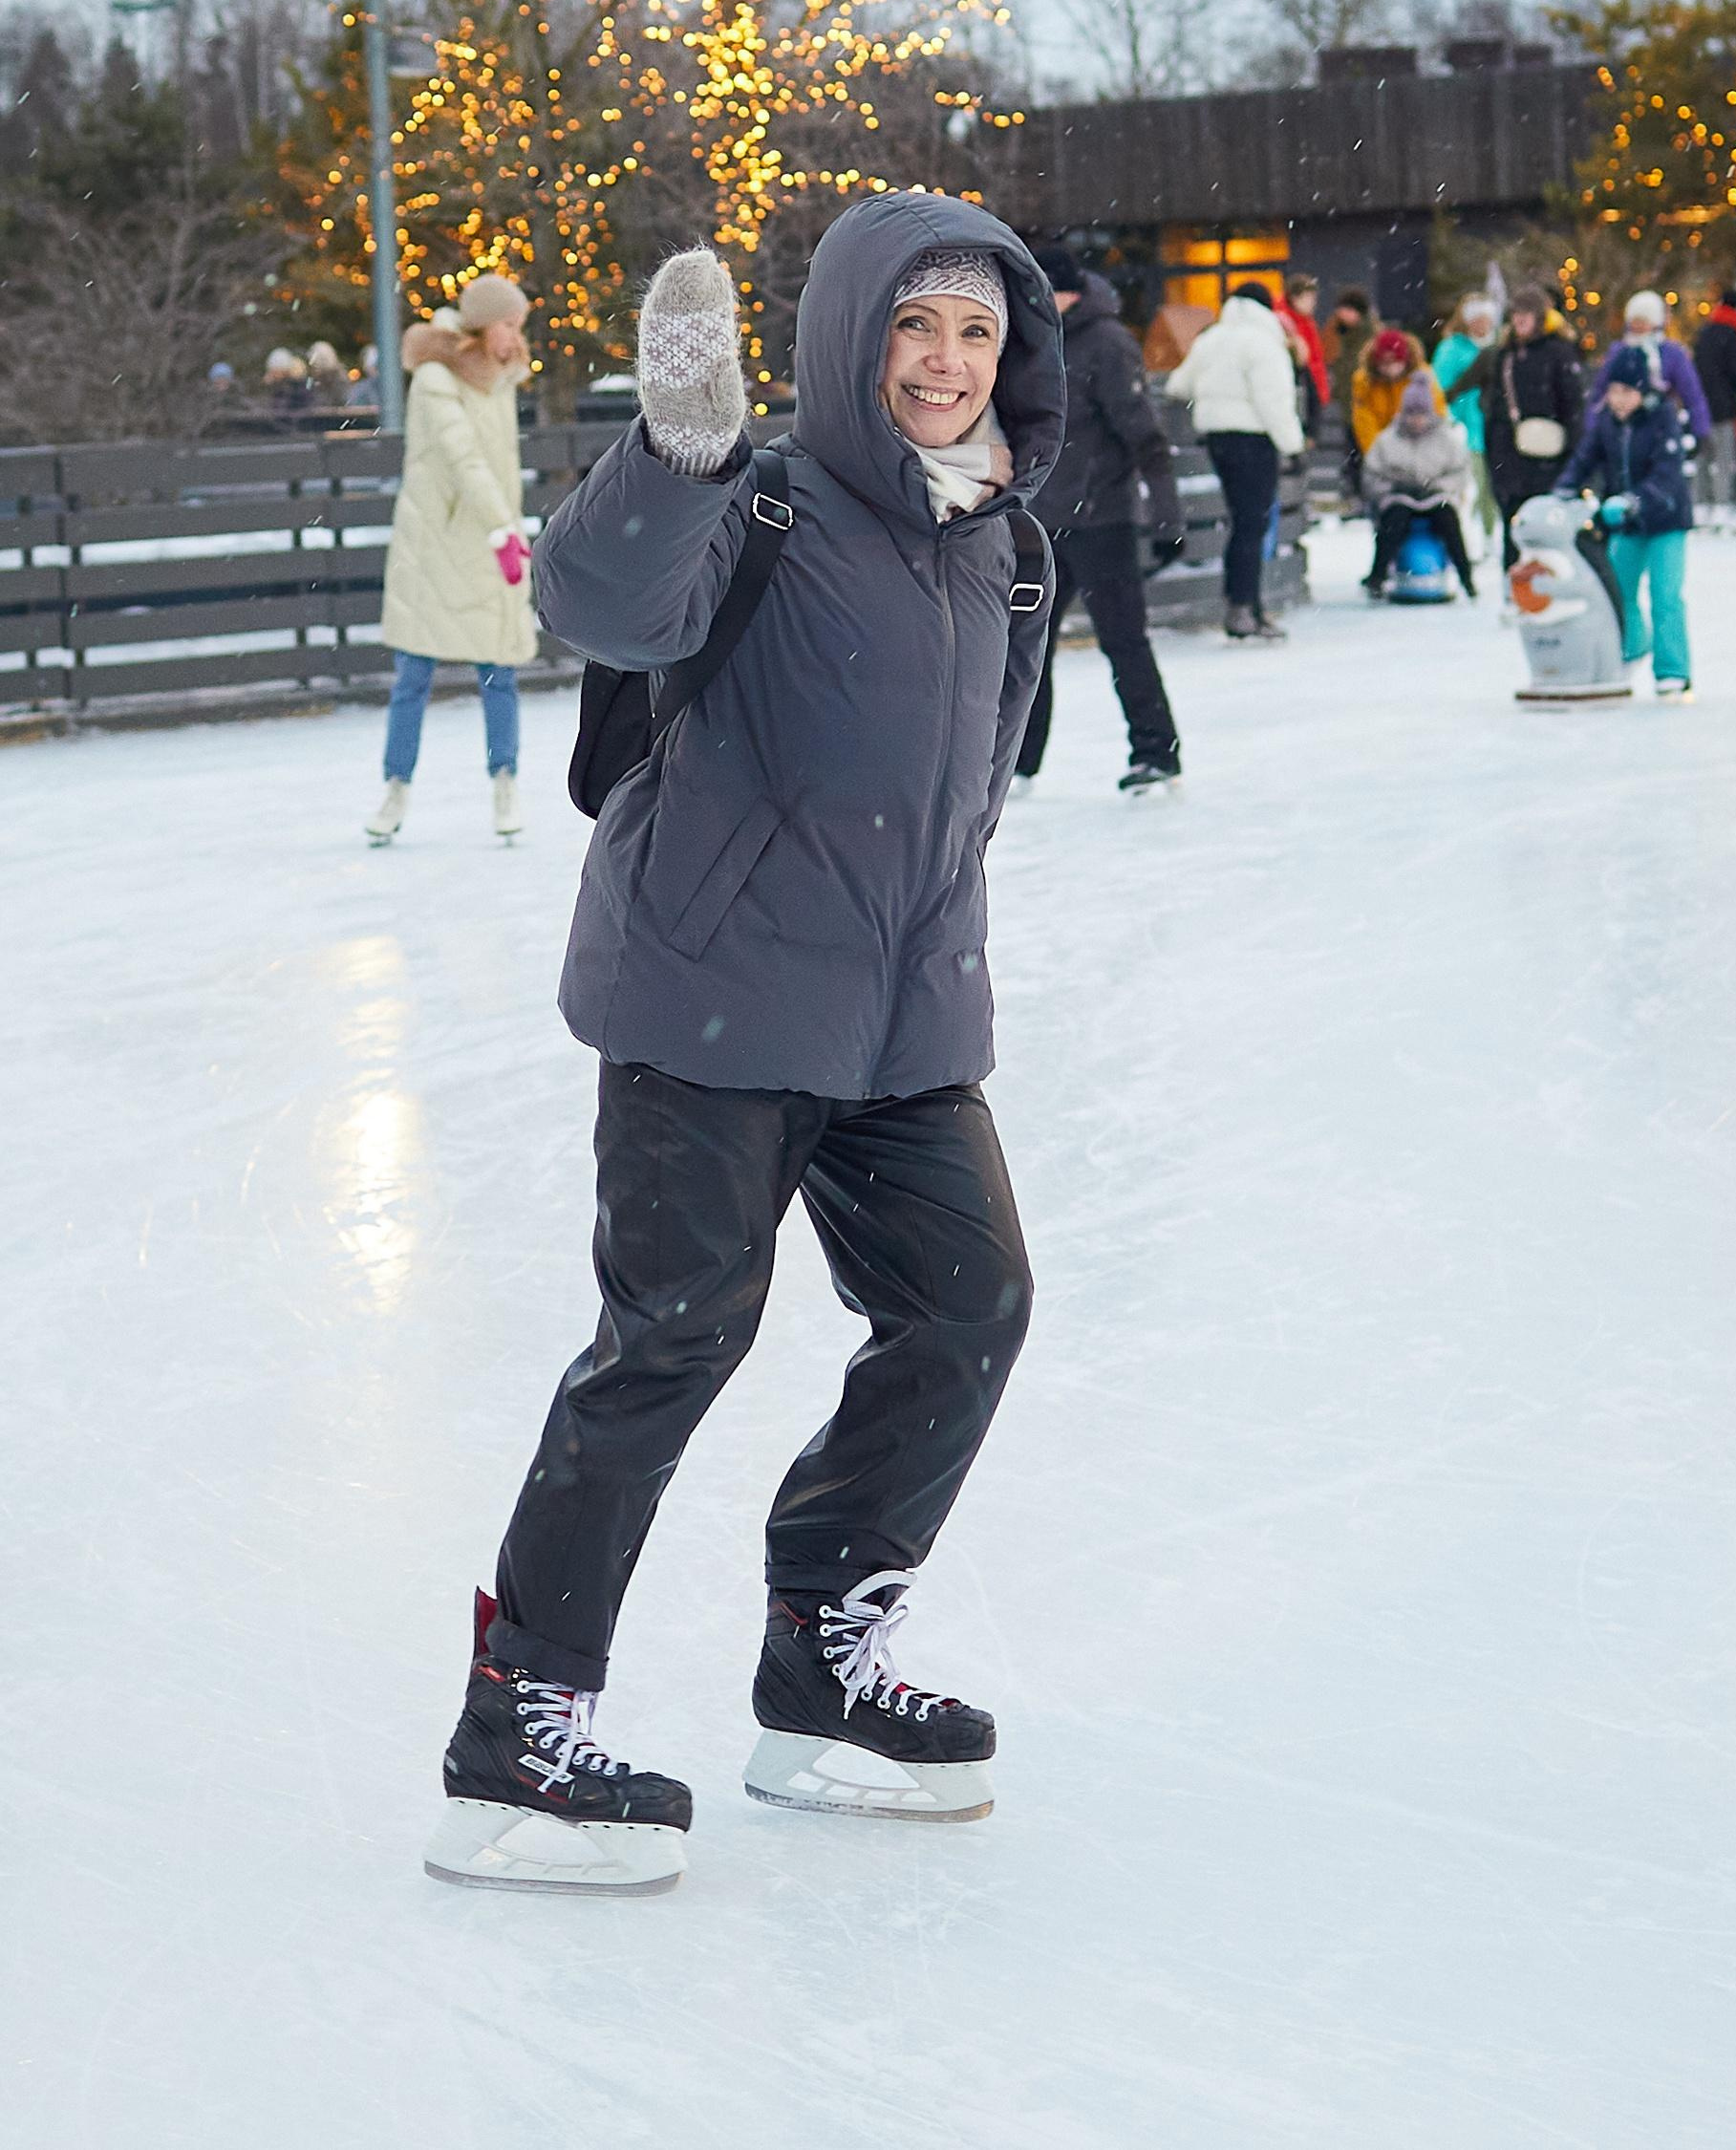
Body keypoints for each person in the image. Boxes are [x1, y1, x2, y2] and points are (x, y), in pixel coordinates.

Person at [430, 204, 1063, 1889]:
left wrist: (944, 973)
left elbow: (976, 790)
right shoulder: (766, 500)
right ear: (854, 336)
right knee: (673, 1344)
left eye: (976, 334)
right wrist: (679, 452)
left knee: (968, 1302)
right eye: (913, 326)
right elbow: (603, 604)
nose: (943, 363)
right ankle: (520, 1731)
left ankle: (820, 1664)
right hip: (704, 995)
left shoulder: (1006, 540)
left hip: (900, 1020)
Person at [369, 272, 537, 847]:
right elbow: (463, 459)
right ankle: (395, 789)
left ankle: (505, 780)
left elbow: (501, 466)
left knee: (498, 673)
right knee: (414, 677)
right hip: (437, 547)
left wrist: (501, 528)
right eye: (509, 324)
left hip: (488, 543)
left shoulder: (502, 381)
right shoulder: (436, 380)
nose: (516, 336)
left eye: (519, 326)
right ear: (483, 324)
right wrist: (505, 529)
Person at [1018, 247, 1189, 789]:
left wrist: (1168, 519)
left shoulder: (1108, 344)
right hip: (1042, 520)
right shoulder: (1031, 343)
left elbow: (1146, 436)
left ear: (1066, 292)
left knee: (1123, 639)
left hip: (1101, 517)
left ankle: (1156, 753)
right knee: (1024, 644)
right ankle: (1017, 762)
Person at [1165, 279, 1304, 640]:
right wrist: (1293, 445)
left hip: (1217, 440)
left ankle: (1243, 604)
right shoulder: (1264, 343)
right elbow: (1273, 401)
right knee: (1252, 525)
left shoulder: (1211, 340)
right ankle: (1244, 608)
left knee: (1241, 522)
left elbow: (1178, 385)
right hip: (1254, 440)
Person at [1557, 342, 1694, 699]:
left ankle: (1672, 671)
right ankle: (1632, 648)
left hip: (1667, 521)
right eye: (1613, 391)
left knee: (1665, 594)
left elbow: (1668, 474)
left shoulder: (1662, 417)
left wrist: (1635, 501)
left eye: (1626, 392)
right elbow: (1584, 460)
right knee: (1619, 590)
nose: (1618, 400)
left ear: (1642, 390)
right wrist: (1562, 491)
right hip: (1628, 525)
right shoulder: (1606, 422)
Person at [1452, 286, 1583, 572]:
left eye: (1528, 315)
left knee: (1547, 530)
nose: (1521, 320)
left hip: (1550, 455)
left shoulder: (1559, 352)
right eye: (1517, 314)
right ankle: (1515, 592)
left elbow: (1573, 406)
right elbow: (1484, 397)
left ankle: (1546, 591)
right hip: (1509, 453)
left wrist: (1572, 456)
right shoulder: (1503, 354)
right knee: (1514, 528)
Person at [1361, 369, 1475, 596]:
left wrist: (1442, 487)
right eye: (1411, 414)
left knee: (1448, 520)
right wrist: (1389, 489)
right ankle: (1378, 575)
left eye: (1421, 413)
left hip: (1434, 495)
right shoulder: (1388, 440)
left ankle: (1466, 576)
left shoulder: (1446, 439)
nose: (1416, 420)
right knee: (1393, 520)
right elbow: (1372, 474)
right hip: (1399, 496)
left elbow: (1459, 472)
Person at [1586, 290, 1712, 441]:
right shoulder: (1619, 351)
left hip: (1660, 429)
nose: (1638, 326)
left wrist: (1700, 431)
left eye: (1643, 321)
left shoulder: (1671, 353)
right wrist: (1592, 428)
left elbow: (1692, 393)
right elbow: (1599, 392)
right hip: (1621, 428)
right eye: (1635, 320)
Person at [1690, 286, 1736, 527]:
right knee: (1723, 458)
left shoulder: (1704, 334)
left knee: (1703, 457)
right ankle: (1721, 506)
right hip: (1722, 406)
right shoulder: (1731, 335)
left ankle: (1700, 505)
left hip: (1701, 406)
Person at [1430, 292, 1499, 545]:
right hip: (1465, 430)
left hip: (1493, 427)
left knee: (1491, 489)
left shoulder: (1499, 348)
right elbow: (1440, 389)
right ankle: (1467, 539)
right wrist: (1450, 420)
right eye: (1478, 319)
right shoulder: (1452, 348)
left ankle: (1490, 537)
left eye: (1487, 319)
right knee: (1472, 488)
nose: (1483, 325)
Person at [1350, 325, 1426, 462]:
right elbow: (1364, 421)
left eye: (1396, 362)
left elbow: (1436, 414)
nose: (1391, 369)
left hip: (1419, 452)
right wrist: (1377, 455)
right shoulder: (1364, 382)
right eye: (1385, 363)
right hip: (1381, 451)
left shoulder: (1422, 378)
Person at [1275, 271, 1332, 433]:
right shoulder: (1283, 322)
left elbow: (1316, 359)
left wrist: (1320, 393)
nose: (1313, 304)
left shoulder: (1306, 322)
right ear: (1295, 297)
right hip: (1295, 389)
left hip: (1306, 390)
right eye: (1309, 298)